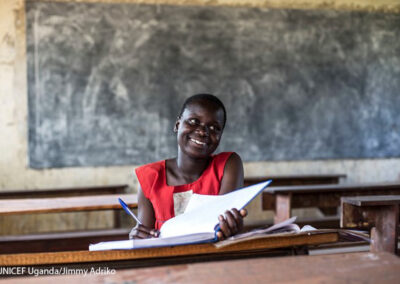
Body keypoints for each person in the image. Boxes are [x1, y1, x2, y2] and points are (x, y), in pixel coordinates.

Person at [129, 94, 246, 241]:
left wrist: (231, 226)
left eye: (214, 127)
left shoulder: (227, 165)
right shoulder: (151, 178)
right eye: (193, 121)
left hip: (213, 259)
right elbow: (145, 239)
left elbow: (225, 226)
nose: (203, 131)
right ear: (177, 125)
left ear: (221, 135)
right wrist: (138, 237)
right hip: (166, 261)